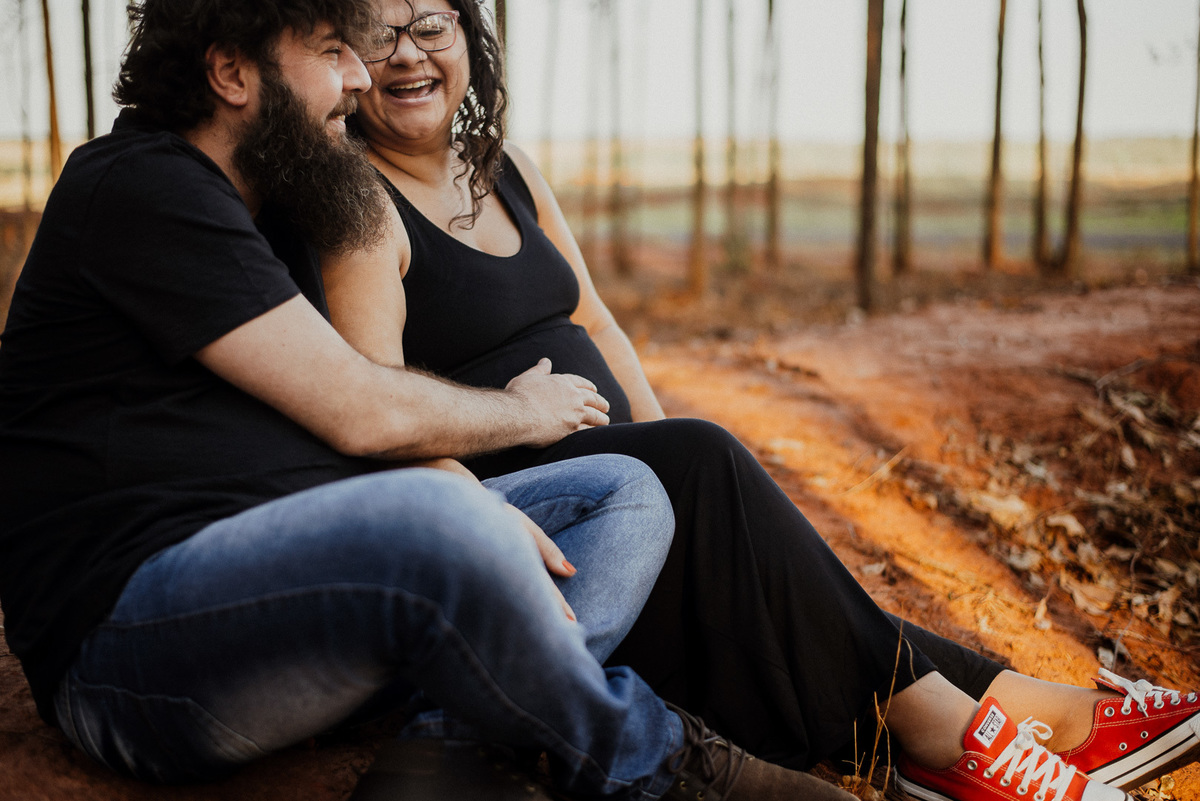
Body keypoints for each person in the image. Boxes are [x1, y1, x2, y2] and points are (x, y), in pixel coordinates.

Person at [320, 0, 1200, 799]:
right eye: (379, 31)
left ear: (470, 37)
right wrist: (484, 515)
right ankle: (962, 743)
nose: (408, 56)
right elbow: (381, 411)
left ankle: (1032, 717)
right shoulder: (358, 203)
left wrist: (682, 483)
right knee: (713, 473)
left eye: (430, 24)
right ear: (345, 60)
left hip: (636, 504)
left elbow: (598, 320)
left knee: (755, 541)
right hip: (555, 540)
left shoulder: (505, 167)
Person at [0, 1, 878, 799]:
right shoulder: (139, 186)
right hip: (135, 646)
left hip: (303, 604)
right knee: (433, 511)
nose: (359, 78)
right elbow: (363, 412)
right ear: (231, 72)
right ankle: (653, 761)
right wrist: (522, 415)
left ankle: (443, 744)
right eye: (335, 50)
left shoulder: (260, 207)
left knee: (624, 493)